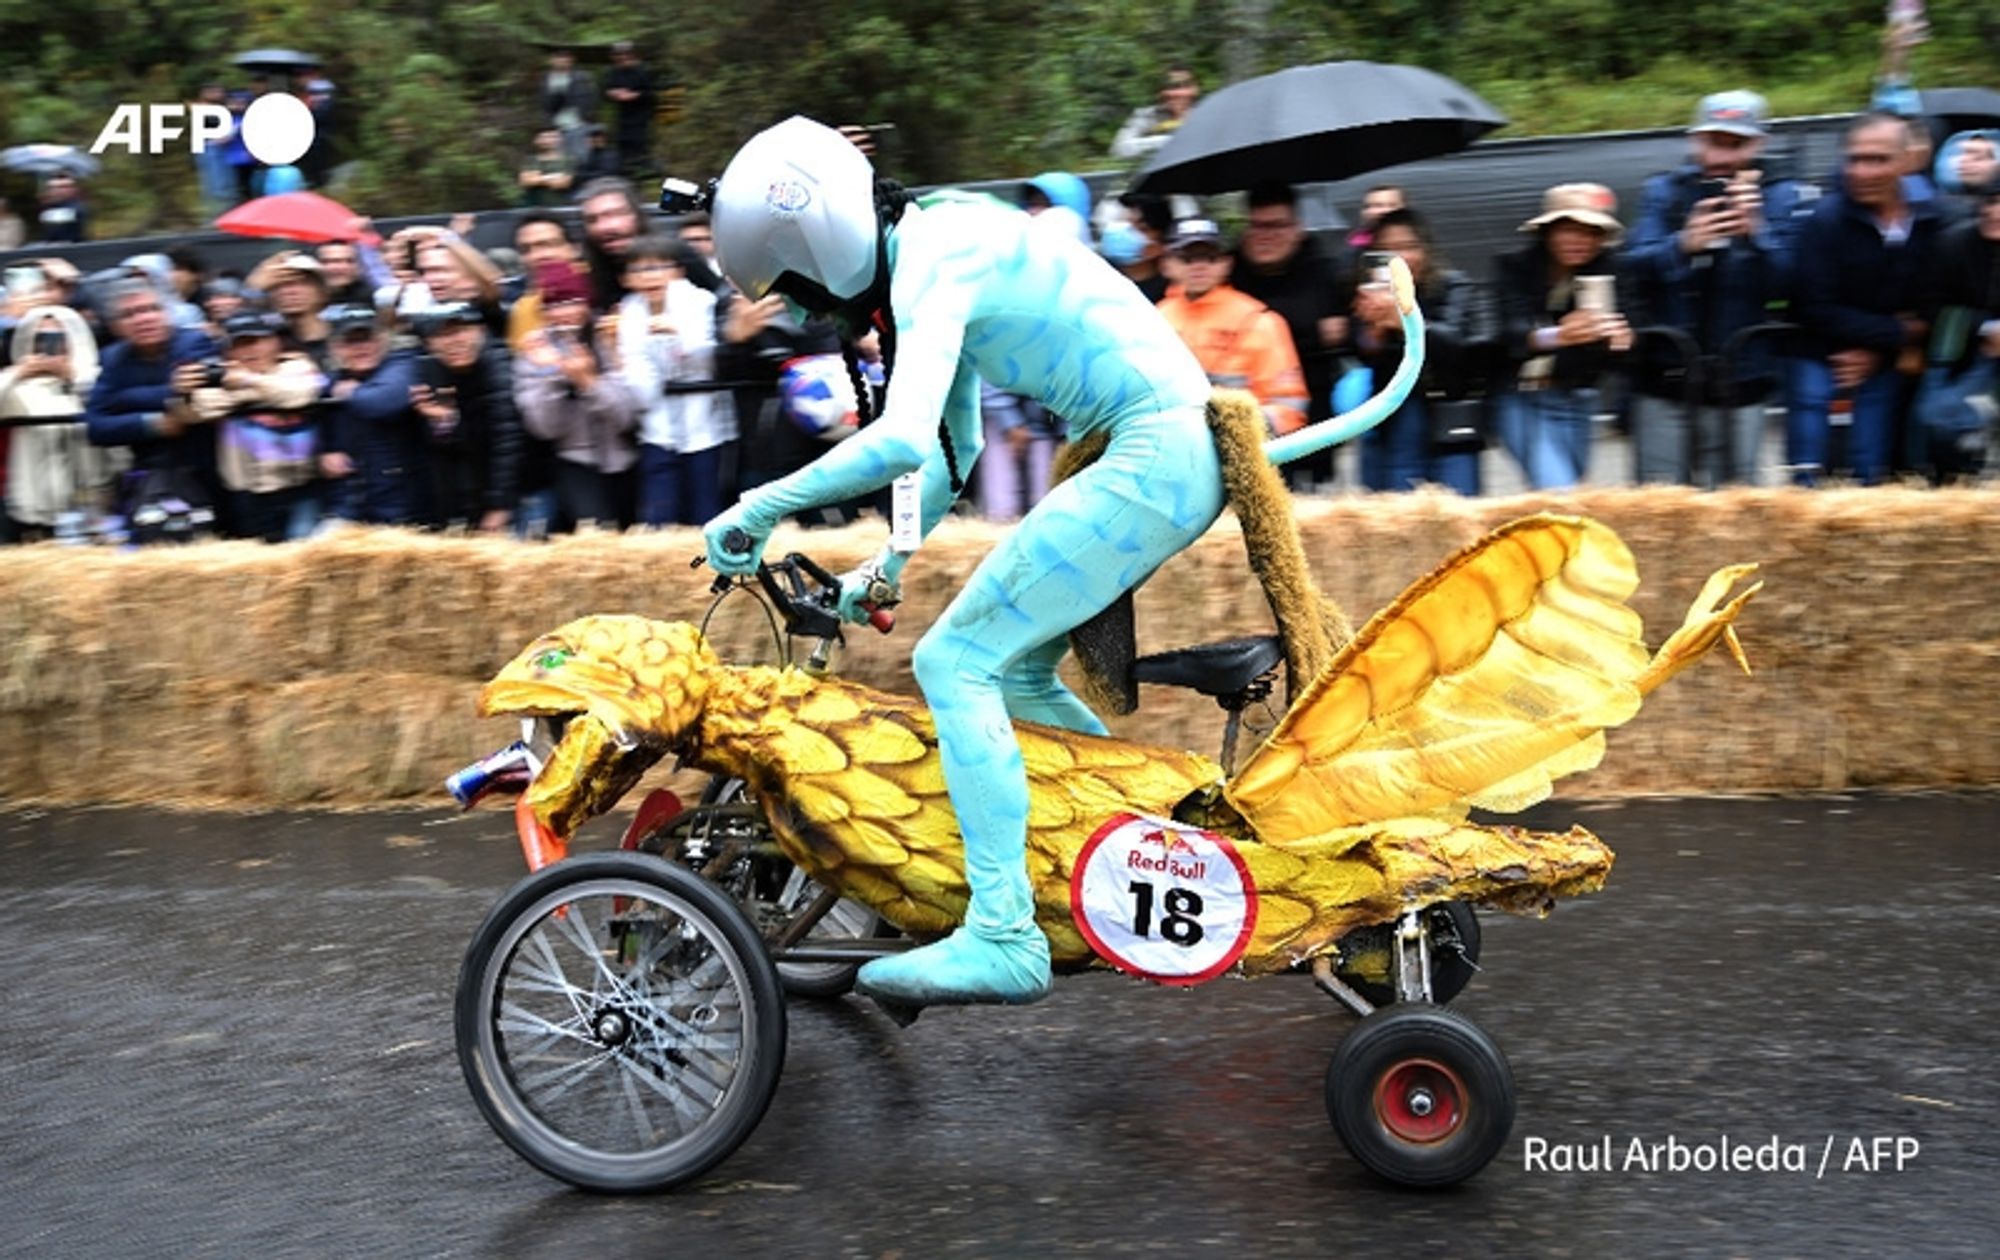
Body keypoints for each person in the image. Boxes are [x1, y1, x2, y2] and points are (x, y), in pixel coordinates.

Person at [700, 117, 1234, 1009]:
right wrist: (886, 565)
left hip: (1155, 452)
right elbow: (951, 450)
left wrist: (760, 506)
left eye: (794, 291)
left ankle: (1002, 934)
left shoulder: (934, 254)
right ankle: (1142, 848)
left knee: (953, 662)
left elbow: (901, 435)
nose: (802, 314)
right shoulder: (937, 240)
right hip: (1159, 450)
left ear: (818, 245)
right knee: (1015, 664)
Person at [1624, 90, 1803, 487]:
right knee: (1658, 501)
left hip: (1742, 374)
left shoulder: (1783, 195)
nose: (1722, 158)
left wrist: (1758, 232)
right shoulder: (1664, 191)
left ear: (1759, 144)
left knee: (1736, 507)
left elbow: (1795, 285)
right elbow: (1631, 267)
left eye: (1736, 144)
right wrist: (1682, 245)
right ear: (1695, 140)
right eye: (1713, 142)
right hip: (1666, 371)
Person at [1788, 113, 1944, 486]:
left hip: (1887, 363)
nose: (1862, 171)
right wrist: (1896, 332)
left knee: (1868, 471)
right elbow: (1811, 305)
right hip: (1821, 356)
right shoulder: (1824, 221)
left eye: (1878, 159)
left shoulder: (1935, 219)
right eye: (1855, 158)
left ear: (1908, 161)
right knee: (1807, 470)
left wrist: (1883, 348)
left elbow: (1938, 298)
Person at [1494, 183, 1633, 490]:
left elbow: (1632, 334)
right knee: (1561, 491)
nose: (1579, 240)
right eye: (1569, 229)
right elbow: (1509, 335)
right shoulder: (1515, 267)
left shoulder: (1612, 270)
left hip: (1579, 396)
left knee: (1570, 499)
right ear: (1548, 231)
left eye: (1591, 232)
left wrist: (1623, 339)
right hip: (1523, 396)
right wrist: (1559, 335)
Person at [1350, 208, 1490, 495]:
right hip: (1398, 416)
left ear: (1426, 250)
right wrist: (1373, 330)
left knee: (1459, 507)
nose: (1400, 258)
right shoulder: (1370, 295)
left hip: (1450, 412)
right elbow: (1362, 352)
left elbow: (1457, 344)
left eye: (1408, 247)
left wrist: (1406, 321)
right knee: (1401, 508)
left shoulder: (1454, 285)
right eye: (1388, 250)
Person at [1231, 181, 1350, 488]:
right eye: (1257, 226)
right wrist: (1313, 331)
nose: (1266, 235)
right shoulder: (1229, 272)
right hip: (1249, 417)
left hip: (1314, 415)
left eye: (1277, 225)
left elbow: (1346, 334)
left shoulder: (1326, 270)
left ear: (1297, 228)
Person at [84, 281, 224, 537]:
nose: (144, 319)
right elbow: (96, 426)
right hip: (150, 475)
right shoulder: (113, 358)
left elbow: (200, 395)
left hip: (208, 467)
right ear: (116, 327)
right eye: (130, 314)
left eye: (151, 309)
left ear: (167, 313)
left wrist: (125, 398)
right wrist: (154, 423)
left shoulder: (194, 342)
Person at [174, 311, 327, 542]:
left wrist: (246, 383)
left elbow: (299, 394)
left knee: (301, 554)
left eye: (256, 341)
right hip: (248, 494)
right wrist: (183, 391)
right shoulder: (218, 375)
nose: (249, 351)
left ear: (274, 342)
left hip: (301, 487)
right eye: (239, 345)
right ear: (228, 352)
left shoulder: (296, 365)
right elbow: (203, 407)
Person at [615, 236, 734, 525]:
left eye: (658, 267)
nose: (649, 276)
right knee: (659, 516)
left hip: (706, 429)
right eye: (638, 270)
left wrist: (677, 335)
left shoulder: (701, 302)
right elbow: (637, 377)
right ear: (626, 279)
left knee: (707, 513)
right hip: (656, 431)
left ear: (678, 272)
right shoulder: (629, 313)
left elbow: (711, 358)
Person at [1154, 219, 1309, 436]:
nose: (1199, 266)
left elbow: (1289, 408)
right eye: (1187, 258)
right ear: (1167, 264)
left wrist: (1235, 430)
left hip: (1241, 454)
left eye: (1210, 257)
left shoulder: (1260, 321)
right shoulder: (1153, 319)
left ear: (1226, 263)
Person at [514, 260, 638, 529]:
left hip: (627, 456)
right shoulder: (534, 349)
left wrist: (589, 383)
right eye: (554, 305)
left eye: (571, 301)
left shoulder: (610, 337)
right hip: (575, 460)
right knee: (597, 532)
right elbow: (544, 428)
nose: (564, 313)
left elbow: (627, 416)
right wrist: (556, 374)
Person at [1913, 186, 2000, 481]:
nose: (1995, 212)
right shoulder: (1952, 244)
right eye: (1990, 202)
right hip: (1958, 356)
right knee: (1938, 420)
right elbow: (1928, 304)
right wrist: (1985, 328)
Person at [413, 301, 522, 533]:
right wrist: (443, 421)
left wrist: (499, 505)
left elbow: (508, 440)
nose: (454, 341)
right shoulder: (434, 374)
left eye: (461, 330)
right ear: (429, 344)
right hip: (475, 496)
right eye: (441, 334)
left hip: (521, 492)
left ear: (480, 331)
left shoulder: (498, 365)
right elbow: (454, 447)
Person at [320, 304, 428, 526]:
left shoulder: (404, 364)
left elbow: (381, 402)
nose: (361, 348)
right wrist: (323, 452)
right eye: (351, 341)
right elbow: (313, 415)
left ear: (382, 340)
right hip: (350, 504)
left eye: (367, 338)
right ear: (335, 348)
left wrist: (352, 393)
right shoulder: (330, 381)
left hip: (401, 507)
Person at [576, 177, 647, 312]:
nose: (604, 227)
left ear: (637, 215)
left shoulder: (677, 257)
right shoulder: (583, 273)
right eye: (592, 220)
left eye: (615, 214)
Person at [1110, 64, 1200, 163]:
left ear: (1194, 89)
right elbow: (1119, 149)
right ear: (1161, 92)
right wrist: (1167, 141)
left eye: (1184, 87)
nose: (1176, 93)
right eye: (1170, 87)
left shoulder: (1205, 115)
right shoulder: (1147, 115)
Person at [602, 41, 657, 179]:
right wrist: (613, 94)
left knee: (639, 148)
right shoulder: (614, 72)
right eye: (618, 55)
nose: (622, 58)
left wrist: (634, 95)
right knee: (622, 148)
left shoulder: (642, 71)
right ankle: (624, 176)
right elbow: (605, 91)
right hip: (622, 119)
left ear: (631, 55)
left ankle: (643, 176)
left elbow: (651, 94)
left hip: (640, 117)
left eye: (625, 55)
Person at [540, 49, 599, 166]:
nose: (562, 60)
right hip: (556, 127)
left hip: (578, 125)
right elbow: (544, 103)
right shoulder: (547, 79)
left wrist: (588, 118)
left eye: (566, 58)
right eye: (559, 57)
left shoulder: (582, 77)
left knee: (581, 159)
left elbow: (592, 98)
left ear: (571, 60)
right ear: (552, 60)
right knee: (559, 161)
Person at [517, 127, 575, 208]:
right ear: (536, 141)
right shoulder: (531, 160)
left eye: (552, 137)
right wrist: (553, 176)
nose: (548, 140)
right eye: (543, 137)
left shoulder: (568, 160)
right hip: (533, 206)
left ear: (560, 139)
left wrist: (537, 178)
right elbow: (525, 181)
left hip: (560, 205)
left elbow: (563, 183)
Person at [1346, 185, 1405, 254]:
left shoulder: (1417, 238)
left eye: (1391, 205)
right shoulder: (1355, 245)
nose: (1373, 211)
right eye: (1367, 206)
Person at [34, 175, 88, 244]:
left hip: (73, 248)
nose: (57, 190)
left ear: (73, 189)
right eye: (53, 188)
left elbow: (74, 214)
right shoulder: (51, 206)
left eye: (63, 187)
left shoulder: (77, 207)